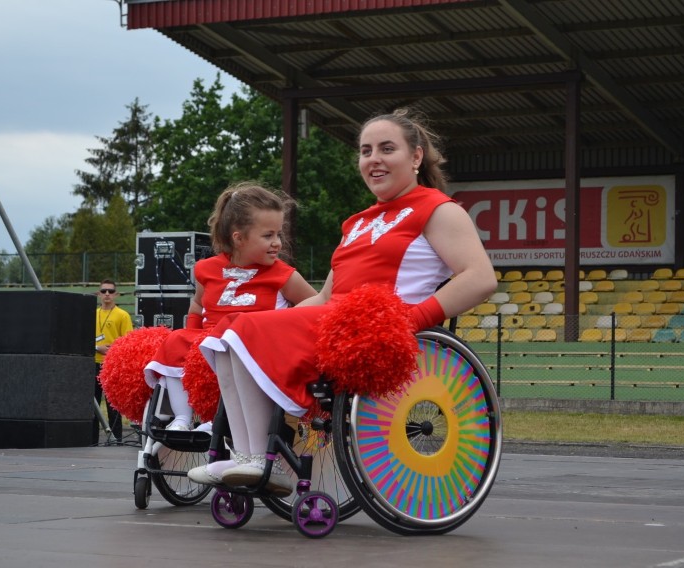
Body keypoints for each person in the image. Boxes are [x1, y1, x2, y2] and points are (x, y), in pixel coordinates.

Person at [190, 108, 498, 495]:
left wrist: (409, 320)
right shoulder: (356, 222)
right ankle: (249, 457)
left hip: (379, 327)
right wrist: (257, 324)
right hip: (334, 320)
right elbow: (323, 297)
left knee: (247, 330)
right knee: (229, 334)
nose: (374, 159)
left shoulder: (439, 210)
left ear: (416, 157)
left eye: (388, 148)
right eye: (366, 150)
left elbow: (481, 278)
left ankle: (256, 461)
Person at [143, 182, 316, 432]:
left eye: (279, 234)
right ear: (239, 238)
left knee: (229, 356)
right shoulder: (208, 268)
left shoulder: (284, 275)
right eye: (268, 235)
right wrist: (192, 334)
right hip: (210, 338)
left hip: (253, 345)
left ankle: (218, 423)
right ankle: (182, 417)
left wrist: (286, 326)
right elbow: (197, 304)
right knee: (175, 342)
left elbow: (314, 303)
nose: (277, 242)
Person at [93, 279, 133, 443]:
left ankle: (117, 438)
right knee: (94, 404)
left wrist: (113, 349)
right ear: (98, 294)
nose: (107, 294)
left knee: (113, 405)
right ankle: (92, 438)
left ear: (116, 294)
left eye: (110, 291)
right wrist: (98, 347)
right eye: (104, 291)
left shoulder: (122, 315)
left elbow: (127, 340)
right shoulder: (93, 313)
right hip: (94, 362)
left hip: (112, 364)